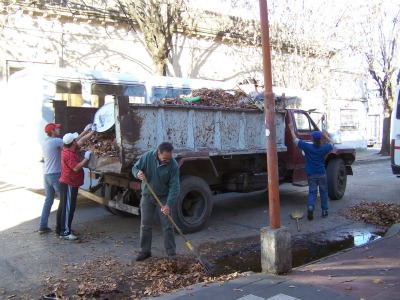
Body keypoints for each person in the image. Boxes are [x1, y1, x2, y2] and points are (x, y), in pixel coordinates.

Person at [132, 142, 180, 261]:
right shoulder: (148, 157)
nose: (167, 161)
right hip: (147, 196)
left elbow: (175, 187)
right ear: (158, 154)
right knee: (145, 225)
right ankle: (145, 251)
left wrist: (168, 204)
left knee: (167, 226)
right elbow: (135, 168)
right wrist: (138, 174)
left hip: (163, 198)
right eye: (165, 158)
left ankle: (171, 253)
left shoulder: (173, 165)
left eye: (169, 158)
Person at [56, 124, 96, 240]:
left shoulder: (68, 148)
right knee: (68, 208)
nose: (76, 140)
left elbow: (81, 139)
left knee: (63, 207)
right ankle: (65, 232)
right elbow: (76, 167)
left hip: (66, 182)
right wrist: (86, 158)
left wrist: (89, 131)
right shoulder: (69, 155)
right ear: (72, 142)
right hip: (69, 183)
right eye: (74, 140)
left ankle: (60, 229)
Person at [288, 123, 334, 220]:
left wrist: (291, 129)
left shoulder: (308, 147)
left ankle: (310, 207)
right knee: (324, 192)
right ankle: (325, 211)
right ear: (320, 139)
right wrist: (326, 136)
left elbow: (295, 140)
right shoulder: (324, 148)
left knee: (312, 192)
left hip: (311, 174)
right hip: (322, 173)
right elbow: (332, 143)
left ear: (312, 139)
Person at [38, 123, 63, 234]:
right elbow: (72, 143)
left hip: (47, 175)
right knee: (64, 200)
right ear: (52, 131)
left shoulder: (45, 141)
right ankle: (62, 227)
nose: (59, 129)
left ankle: (42, 226)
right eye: (57, 128)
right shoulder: (55, 141)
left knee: (48, 201)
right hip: (55, 174)